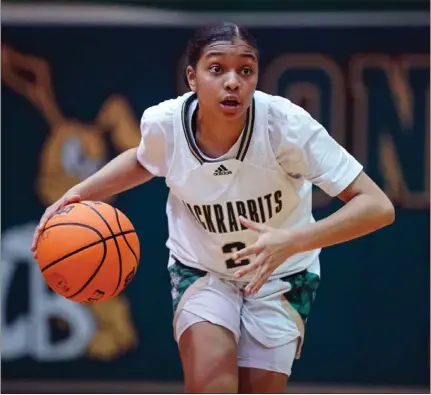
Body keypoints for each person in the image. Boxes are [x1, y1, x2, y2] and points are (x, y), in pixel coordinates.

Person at [31, 22, 395, 394]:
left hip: (282, 274)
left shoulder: (285, 127)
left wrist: (293, 240)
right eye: (217, 69)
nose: (233, 81)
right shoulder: (166, 125)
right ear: (193, 77)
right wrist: (77, 193)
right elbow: (143, 161)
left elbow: (377, 206)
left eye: (246, 70)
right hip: (202, 270)